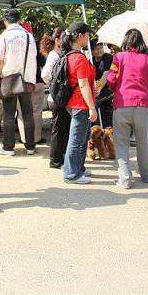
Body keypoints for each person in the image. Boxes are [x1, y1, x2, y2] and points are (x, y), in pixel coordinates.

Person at [106, 29, 148, 189]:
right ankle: (147, 176)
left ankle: (125, 179)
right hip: (142, 104)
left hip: (122, 103)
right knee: (143, 142)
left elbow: (111, 79)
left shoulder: (118, 57)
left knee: (121, 143)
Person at [0, 9, 37, 156]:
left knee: (9, 115)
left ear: (5, 21)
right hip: (27, 80)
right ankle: (30, 146)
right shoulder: (29, 36)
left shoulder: (3, 37)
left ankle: (8, 147)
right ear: (19, 20)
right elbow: (33, 58)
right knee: (28, 114)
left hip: (9, 79)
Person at [61, 22, 97, 184]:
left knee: (82, 138)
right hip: (81, 104)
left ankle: (78, 169)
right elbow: (83, 84)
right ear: (80, 36)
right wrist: (92, 107)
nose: (88, 37)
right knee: (76, 140)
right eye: (87, 34)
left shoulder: (69, 55)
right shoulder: (79, 58)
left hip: (74, 103)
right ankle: (71, 174)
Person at [41, 28, 68, 169]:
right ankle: (55, 160)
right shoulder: (54, 55)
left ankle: (60, 158)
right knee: (58, 130)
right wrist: (54, 84)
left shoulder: (60, 54)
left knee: (61, 129)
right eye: (63, 38)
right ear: (57, 40)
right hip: (56, 97)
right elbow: (45, 75)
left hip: (58, 97)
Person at [92, 41, 114, 128]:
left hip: (108, 89)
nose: (99, 50)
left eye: (101, 48)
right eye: (96, 49)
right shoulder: (91, 61)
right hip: (97, 89)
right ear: (92, 51)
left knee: (104, 109)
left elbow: (105, 76)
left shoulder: (108, 58)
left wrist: (98, 89)